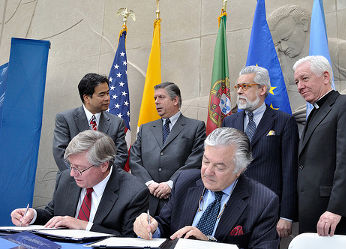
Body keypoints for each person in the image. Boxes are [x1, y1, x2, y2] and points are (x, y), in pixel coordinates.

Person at [133, 127, 279, 249]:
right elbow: (165, 224)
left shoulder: (263, 201)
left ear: (240, 169)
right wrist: (151, 227)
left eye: (219, 167)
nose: (208, 171)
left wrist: (208, 245)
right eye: (206, 161)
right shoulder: (184, 181)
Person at [11, 130, 148, 236]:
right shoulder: (66, 179)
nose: (72, 173)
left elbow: (129, 239)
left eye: (80, 168)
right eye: (71, 166)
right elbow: (53, 214)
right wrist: (33, 215)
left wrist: (84, 226)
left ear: (103, 165)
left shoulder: (134, 192)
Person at [294, 55, 346, 237]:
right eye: (297, 81)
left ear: (326, 77)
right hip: (314, 218)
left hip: (337, 218)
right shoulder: (313, 114)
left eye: (305, 79)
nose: (299, 86)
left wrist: (337, 209)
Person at [222, 66, 299, 238]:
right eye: (238, 87)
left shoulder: (283, 122)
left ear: (263, 89)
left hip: (268, 208)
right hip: (232, 206)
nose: (239, 92)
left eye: (245, 86)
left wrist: (286, 215)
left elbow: (289, 170)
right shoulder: (229, 122)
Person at [268, 5, 346, 122]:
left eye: (286, 38)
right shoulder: (281, 62)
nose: (283, 47)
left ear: (304, 24)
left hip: (343, 123)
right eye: (278, 43)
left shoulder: (339, 49)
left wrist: (325, 107)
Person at [130, 82, 206, 216]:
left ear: (175, 100)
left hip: (177, 199)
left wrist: (171, 184)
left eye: (161, 97)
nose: (156, 102)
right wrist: (149, 183)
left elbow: (195, 161)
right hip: (146, 199)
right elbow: (135, 159)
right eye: (155, 98)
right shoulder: (145, 128)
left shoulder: (195, 127)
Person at [53, 73, 128, 171]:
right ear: (86, 98)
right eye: (102, 95)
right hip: (74, 180)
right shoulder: (65, 119)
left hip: (106, 182)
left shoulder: (117, 123)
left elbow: (121, 155)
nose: (107, 98)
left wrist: (103, 177)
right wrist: (80, 174)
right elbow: (60, 154)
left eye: (108, 93)